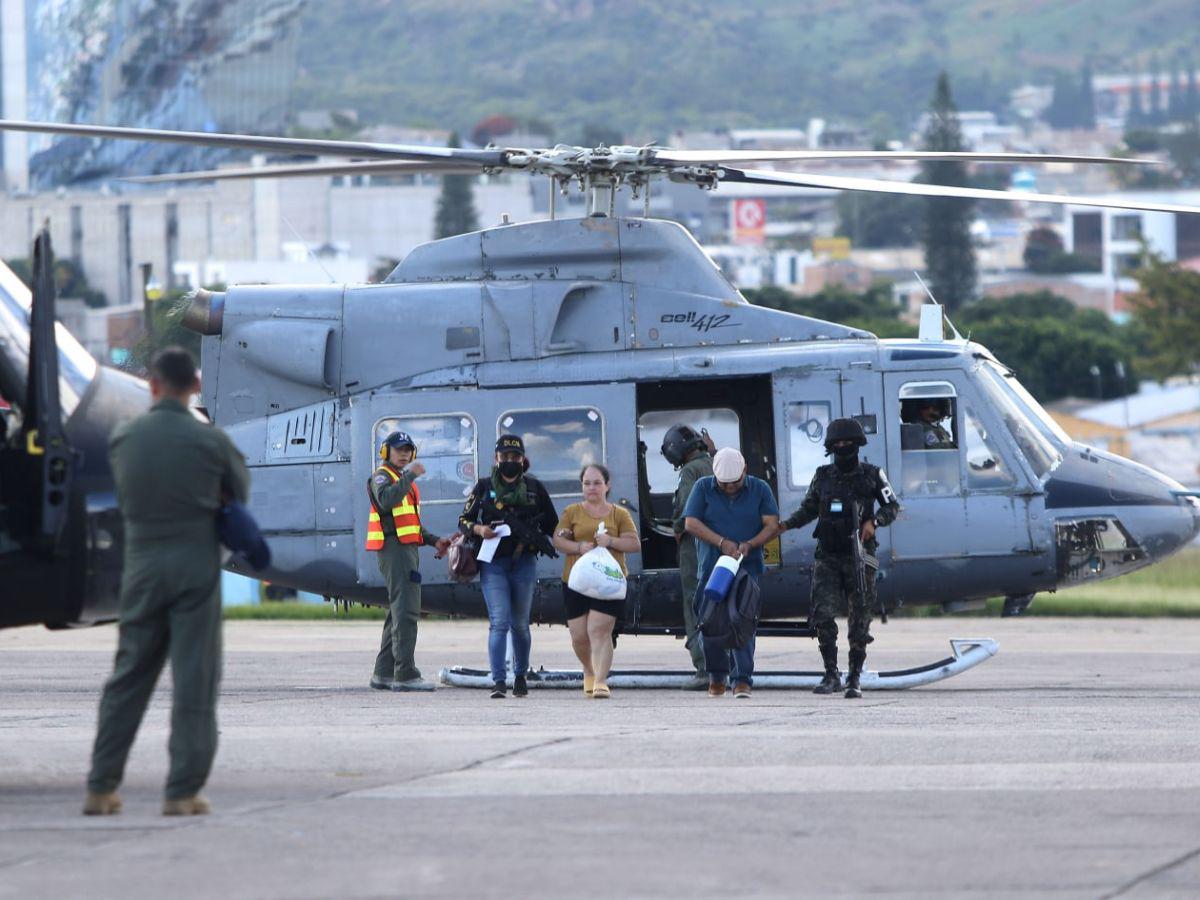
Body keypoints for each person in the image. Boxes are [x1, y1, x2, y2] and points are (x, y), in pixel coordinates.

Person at [84, 346, 250, 817]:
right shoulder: (211, 441)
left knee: (129, 675)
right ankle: (181, 791)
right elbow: (240, 491)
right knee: (194, 678)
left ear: (153, 385)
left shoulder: (125, 437)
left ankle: (101, 786)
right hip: (195, 567)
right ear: (194, 386)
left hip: (141, 568)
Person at [777, 418, 900, 699]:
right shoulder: (822, 476)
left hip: (859, 555)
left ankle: (854, 677)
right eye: (838, 444)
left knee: (860, 619)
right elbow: (808, 509)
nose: (843, 447)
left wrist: (875, 522)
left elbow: (892, 505)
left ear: (857, 445)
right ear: (831, 447)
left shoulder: (872, 475)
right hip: (828, 557)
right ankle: (831, 674)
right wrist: (786, 525)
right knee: (822, 615)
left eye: (848, 443)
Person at [459, 435, 558, 699]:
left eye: (515, 458)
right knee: (499, 622)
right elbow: (463, 521)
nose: (510, 462)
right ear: (496, 459)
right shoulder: (482, 488)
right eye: (505, 457)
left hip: (524, 563)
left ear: (523, 459)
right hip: (493, 564)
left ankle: (521, 676)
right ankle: (499, 681)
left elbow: (553, 526)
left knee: (521, 625)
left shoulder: (535, 489)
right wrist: (480, 529)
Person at [683, 447, 779, 699]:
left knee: (743, 621)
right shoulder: (703, 487)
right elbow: (691, 523)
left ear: (744, 470)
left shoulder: (759, 489)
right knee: (709, 622)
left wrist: (751, 544)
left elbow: (771, 524)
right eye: (723, 484)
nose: (729, 488)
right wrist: (721, 542)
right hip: (713, 568)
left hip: (747, 568)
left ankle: (742, 679)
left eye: (734, 483)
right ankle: (716, 677)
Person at [367, 431, 452, 692]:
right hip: (395, 551)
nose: (404, 454)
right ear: (386, 452)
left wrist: (435, 540)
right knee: (406, 612)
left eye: (408, 450)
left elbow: (409, 524)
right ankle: (405, 674)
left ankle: (383, 673)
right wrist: (410, 474)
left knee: (397, 612)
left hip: (405, 549)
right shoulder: (383, 477)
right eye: (399, 449)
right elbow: (386, 500)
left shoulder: (402, 481)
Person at [553, 464, 640, 699]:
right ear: (582, 487)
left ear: (607, 486)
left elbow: (634, 544)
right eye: (587, 483)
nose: (592, 487)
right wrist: (579, 546)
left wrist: (610, 541)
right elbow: (558, 541)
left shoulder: (620, 514)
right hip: (576, 581)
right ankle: (588, 670)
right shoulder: (571, 512)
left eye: (597, 483)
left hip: (608, 582)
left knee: (599, 631)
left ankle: (601, 680)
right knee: (579, 635)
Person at [661, 423, 714, 691]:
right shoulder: (716, 464)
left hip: (694, 545)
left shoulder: (690, 471)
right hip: (718, 543)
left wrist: (678, 531)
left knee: (695, 603)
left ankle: (705, 668)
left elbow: (684, 508)